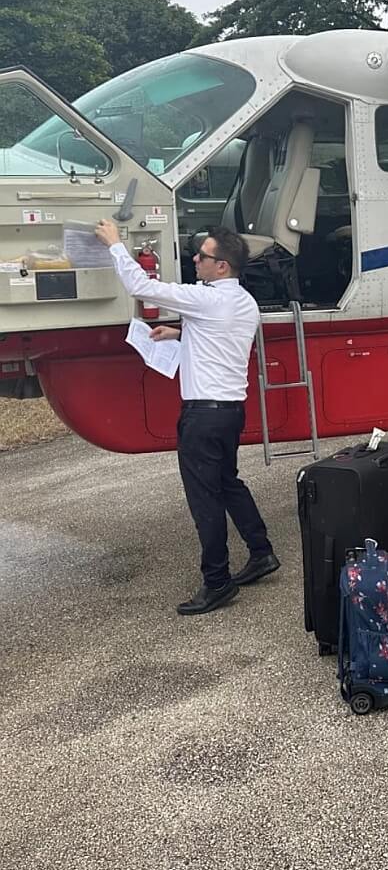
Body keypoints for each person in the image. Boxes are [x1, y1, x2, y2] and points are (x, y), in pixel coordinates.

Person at [94, 220, 279, 615]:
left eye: (203, 256)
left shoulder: (206, 298)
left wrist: (115, 244)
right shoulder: (243, 302)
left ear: (222, 266)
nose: (195, 259)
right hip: (230, 411)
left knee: (204, 500)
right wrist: (179, 334)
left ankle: (217, 582)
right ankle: (261, 553)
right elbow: (219, 336)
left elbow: (143, 287)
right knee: (228, 484)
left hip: (202, 415)